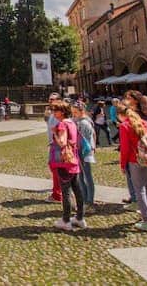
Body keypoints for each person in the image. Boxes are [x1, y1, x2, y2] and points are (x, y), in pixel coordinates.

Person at [120, 101, 147, 232]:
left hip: (133, 160)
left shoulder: (125, 126)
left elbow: (124, 149)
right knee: (146, 188)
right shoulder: (145, 124)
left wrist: (123, 165)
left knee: (139, 190)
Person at [49, 102, 86, 231]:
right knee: (77, 189)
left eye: (56, 110)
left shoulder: (62, 124)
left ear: (62, 111)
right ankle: (80, 217)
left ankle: (66, 220)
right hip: (73, 159)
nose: (53, 112)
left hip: (64, 161)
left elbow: (63, 143)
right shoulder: (72, 123)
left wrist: (55, 133)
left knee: (66, 191)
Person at [73, 102, 96, 208]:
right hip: (80, 151)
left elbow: (85, 140)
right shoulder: (78, 121)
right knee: (81, 176)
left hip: (84, 152)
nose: (73, 114)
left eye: (75, 112)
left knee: (87, 176)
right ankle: (84, 197)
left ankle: (89, 200)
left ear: (81, 111)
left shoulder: (84, 123)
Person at [44, 93, 63, 203]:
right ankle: (59, 191)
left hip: (57, 145)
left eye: (53, 99)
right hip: (53, 144)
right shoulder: (52, 113)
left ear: (59, 100)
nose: (50, 101)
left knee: (56, 169)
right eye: (49, 99)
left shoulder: (59, 115)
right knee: (53, 168)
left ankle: (57, 195)